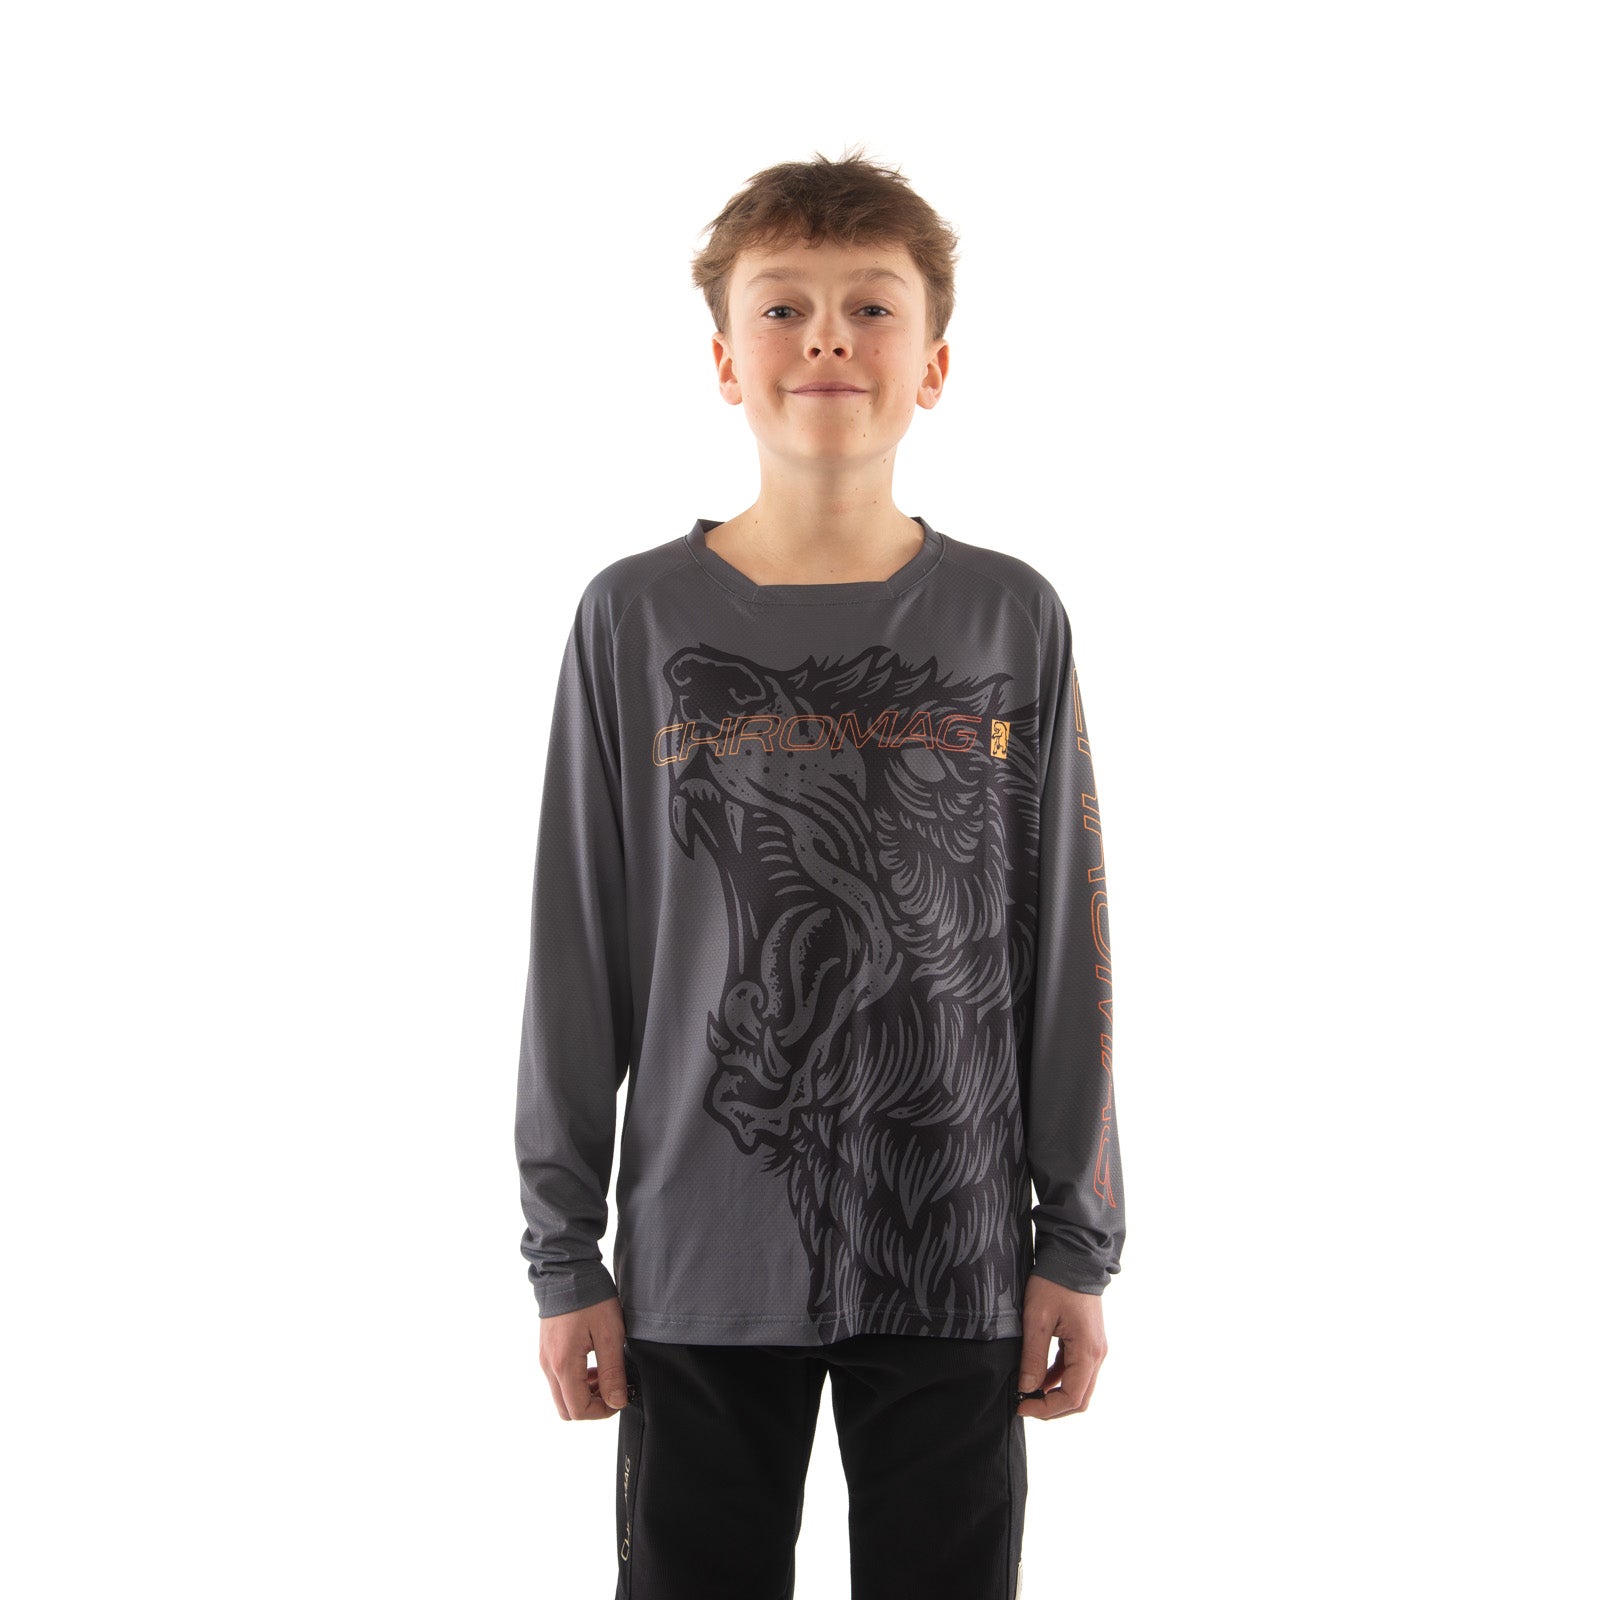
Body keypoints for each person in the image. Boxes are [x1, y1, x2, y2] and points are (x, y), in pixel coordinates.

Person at [514, 144, 1124, 1600]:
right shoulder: (635, 619)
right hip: (700, 1254)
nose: (828, 339)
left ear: (936, 365)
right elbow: (577, 943)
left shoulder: (1008, 616)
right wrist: (564, 1251)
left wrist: (1077, 1240)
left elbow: (1067, 949)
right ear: (726, 362)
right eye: (783, 308)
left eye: (872, 307)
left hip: (956, 1251)